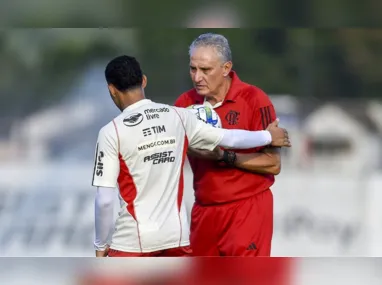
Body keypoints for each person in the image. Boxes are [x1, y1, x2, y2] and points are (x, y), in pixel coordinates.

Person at [91, 55, 290, 257]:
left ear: (111, 89)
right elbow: (229, 137)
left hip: (133, 242)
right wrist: (267, 135)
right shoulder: (178, 115)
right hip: (176, 239)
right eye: (193, 68)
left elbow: (104, 201)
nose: (198, 77)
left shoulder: (111, 132)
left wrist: (100, 245)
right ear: (143, 80)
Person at [174, 33, 285, 256]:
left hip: (246, 209)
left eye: (205, 70)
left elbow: (273, 164)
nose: (197, 77)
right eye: (193, 69)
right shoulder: (184, 104)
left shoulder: (255, 99)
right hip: (204, 209)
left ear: (226, 68)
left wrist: (226, 157)